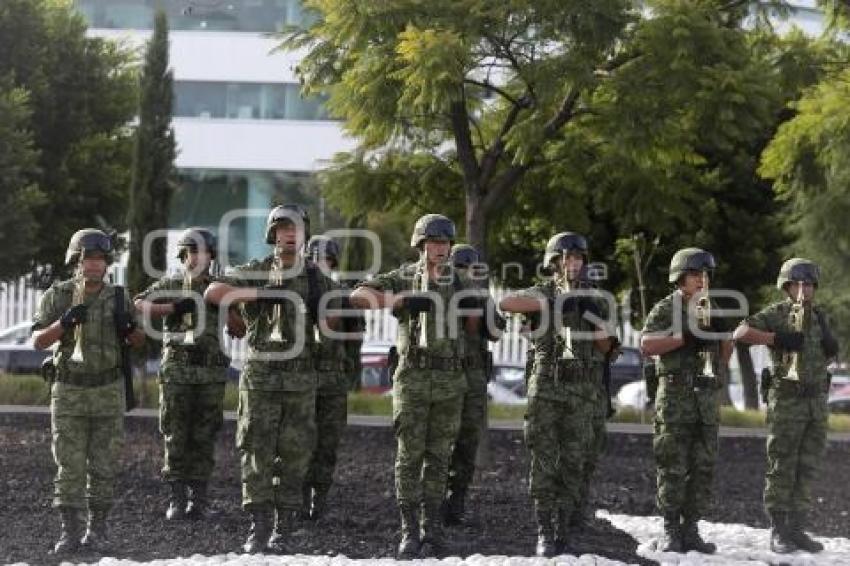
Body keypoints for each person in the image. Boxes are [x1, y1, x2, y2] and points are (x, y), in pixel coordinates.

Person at [204, 205, 338, 553]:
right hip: (261, 377)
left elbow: (336, 318)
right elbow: (213, 292)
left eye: (296, 228)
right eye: (283, 228)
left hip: (300, 380)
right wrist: (262, 295)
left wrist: (333, 309)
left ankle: (285, 526)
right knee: (256, 451)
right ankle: (259, 525)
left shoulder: (314, 277)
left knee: (294, 454)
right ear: (274, 234)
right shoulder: (255, 271)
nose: (290, 234)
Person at [350, 214, 479, 558]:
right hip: (414, 377)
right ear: (420, 245)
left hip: (451, 381)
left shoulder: (461, 282)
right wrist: (400, 301)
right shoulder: (405, 276)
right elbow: (359, 296)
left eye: (445, 243)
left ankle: (432, 529)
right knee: (409, 456)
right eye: (433, 243)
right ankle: (409, 530)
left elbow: (484, 321)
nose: (440, 249)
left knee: (439, 457)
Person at [499, 231, 616, 556]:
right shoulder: (541, 292)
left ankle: (565, 529)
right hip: (547, 388)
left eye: (578, 259)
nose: (573, 264)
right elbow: (506, 303)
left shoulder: (596, 298)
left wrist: (593, 317)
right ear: (554, 263)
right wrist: (553, 302)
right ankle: (545, 531)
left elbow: (608, 349)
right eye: (567, 259)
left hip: (582, 390)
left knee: (574, 463)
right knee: (544, 461)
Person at [32, 229, 144, 554]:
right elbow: (39, 340)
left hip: (108, 391)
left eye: (99, 259)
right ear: (75, 261)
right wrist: (63, 324)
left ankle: (99, 530)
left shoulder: (120, 297)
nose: (94, 266)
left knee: (104, 466)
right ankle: (70, 532)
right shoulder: (58, 295)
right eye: (87, 259)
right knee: (69, 465)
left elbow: (140, 342)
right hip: (69, 391)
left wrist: (129, 329)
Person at [134, 227, 245, 521]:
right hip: (178, 369)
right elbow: (139, 304)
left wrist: (230, 310)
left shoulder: (219, 287)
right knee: (175, 433)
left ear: (211, 256)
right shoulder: (171, 283)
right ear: (184, 255)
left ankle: (200, 499)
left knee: (205, 434)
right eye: (192, 252)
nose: (198, 257)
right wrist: (171, 307)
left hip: (209, 371)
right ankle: (177, 498)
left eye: (203, 252)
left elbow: (241, 327)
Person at [733, 258, 837, 553]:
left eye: (808, 284)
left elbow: (820, 357)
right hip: (788, 401)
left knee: (808, 466)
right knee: (782, 465)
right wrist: (776, 338)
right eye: (797, 284)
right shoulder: (777, 313)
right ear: (786, 287)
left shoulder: (819, 316)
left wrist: (830, 347)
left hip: (816, 402)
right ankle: (778, 530)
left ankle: (797, 528)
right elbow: (740, 334)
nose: (803, 290)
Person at [640, 247, 732, 554]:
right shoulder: (667, 308)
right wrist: (683, 337)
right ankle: (670, 531)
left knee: (703, 467)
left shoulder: (712, 308)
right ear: (680, 278)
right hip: (676, 396)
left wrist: (723, 337)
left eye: (705, 275)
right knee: (672, 465)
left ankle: (691, 530)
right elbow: (646, 345)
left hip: (705, 398)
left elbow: (725, 356)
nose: (701, 281)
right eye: (695, 275)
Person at [302, 235, 365, 520]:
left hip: (332, 380)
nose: (320, 265)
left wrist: (350, 371)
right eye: (315, 259)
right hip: (299, 378)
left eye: (325, 260)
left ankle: (320, 498)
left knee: (327, 443)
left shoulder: (343, 295)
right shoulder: (297, 291)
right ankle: (298, 499)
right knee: (298, 443)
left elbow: (355, 339)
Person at [442, 244, 503, 525]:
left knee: (466, 443)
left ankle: (456, 503)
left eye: (469, 268)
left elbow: (496, 333)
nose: (464, 273)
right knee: (439, 441)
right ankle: (434, 500)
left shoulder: (481, 297)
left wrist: (478, 311)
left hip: (473, 378)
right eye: (459, 268)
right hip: (443, 376)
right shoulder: (440, 294)